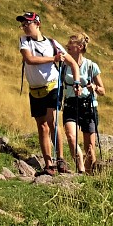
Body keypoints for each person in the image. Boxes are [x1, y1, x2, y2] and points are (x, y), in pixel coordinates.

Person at [18, 12, 78, 174]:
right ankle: (48, 163)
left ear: (37, 24)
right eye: (22, 24)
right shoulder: (24, 41)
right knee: (42, 126)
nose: (24, 27)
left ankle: (61, 159)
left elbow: (72, 62)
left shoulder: (52, 43)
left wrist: (77, 81)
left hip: (53, 86)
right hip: (35, 90)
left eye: (27, 24)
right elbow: (29, 59)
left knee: (52, 122)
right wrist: (54, 59)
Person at [61, 33, 106, 173]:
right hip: (70, 104)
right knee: (70, 136)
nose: (67, 46)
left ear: (80, 47)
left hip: (88, 106)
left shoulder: (91, 66)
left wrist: (95, 87)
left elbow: (103, 90)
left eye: (71, 44)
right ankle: (80, 169)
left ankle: (90, 174)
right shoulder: (63, 65)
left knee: (90, 147)